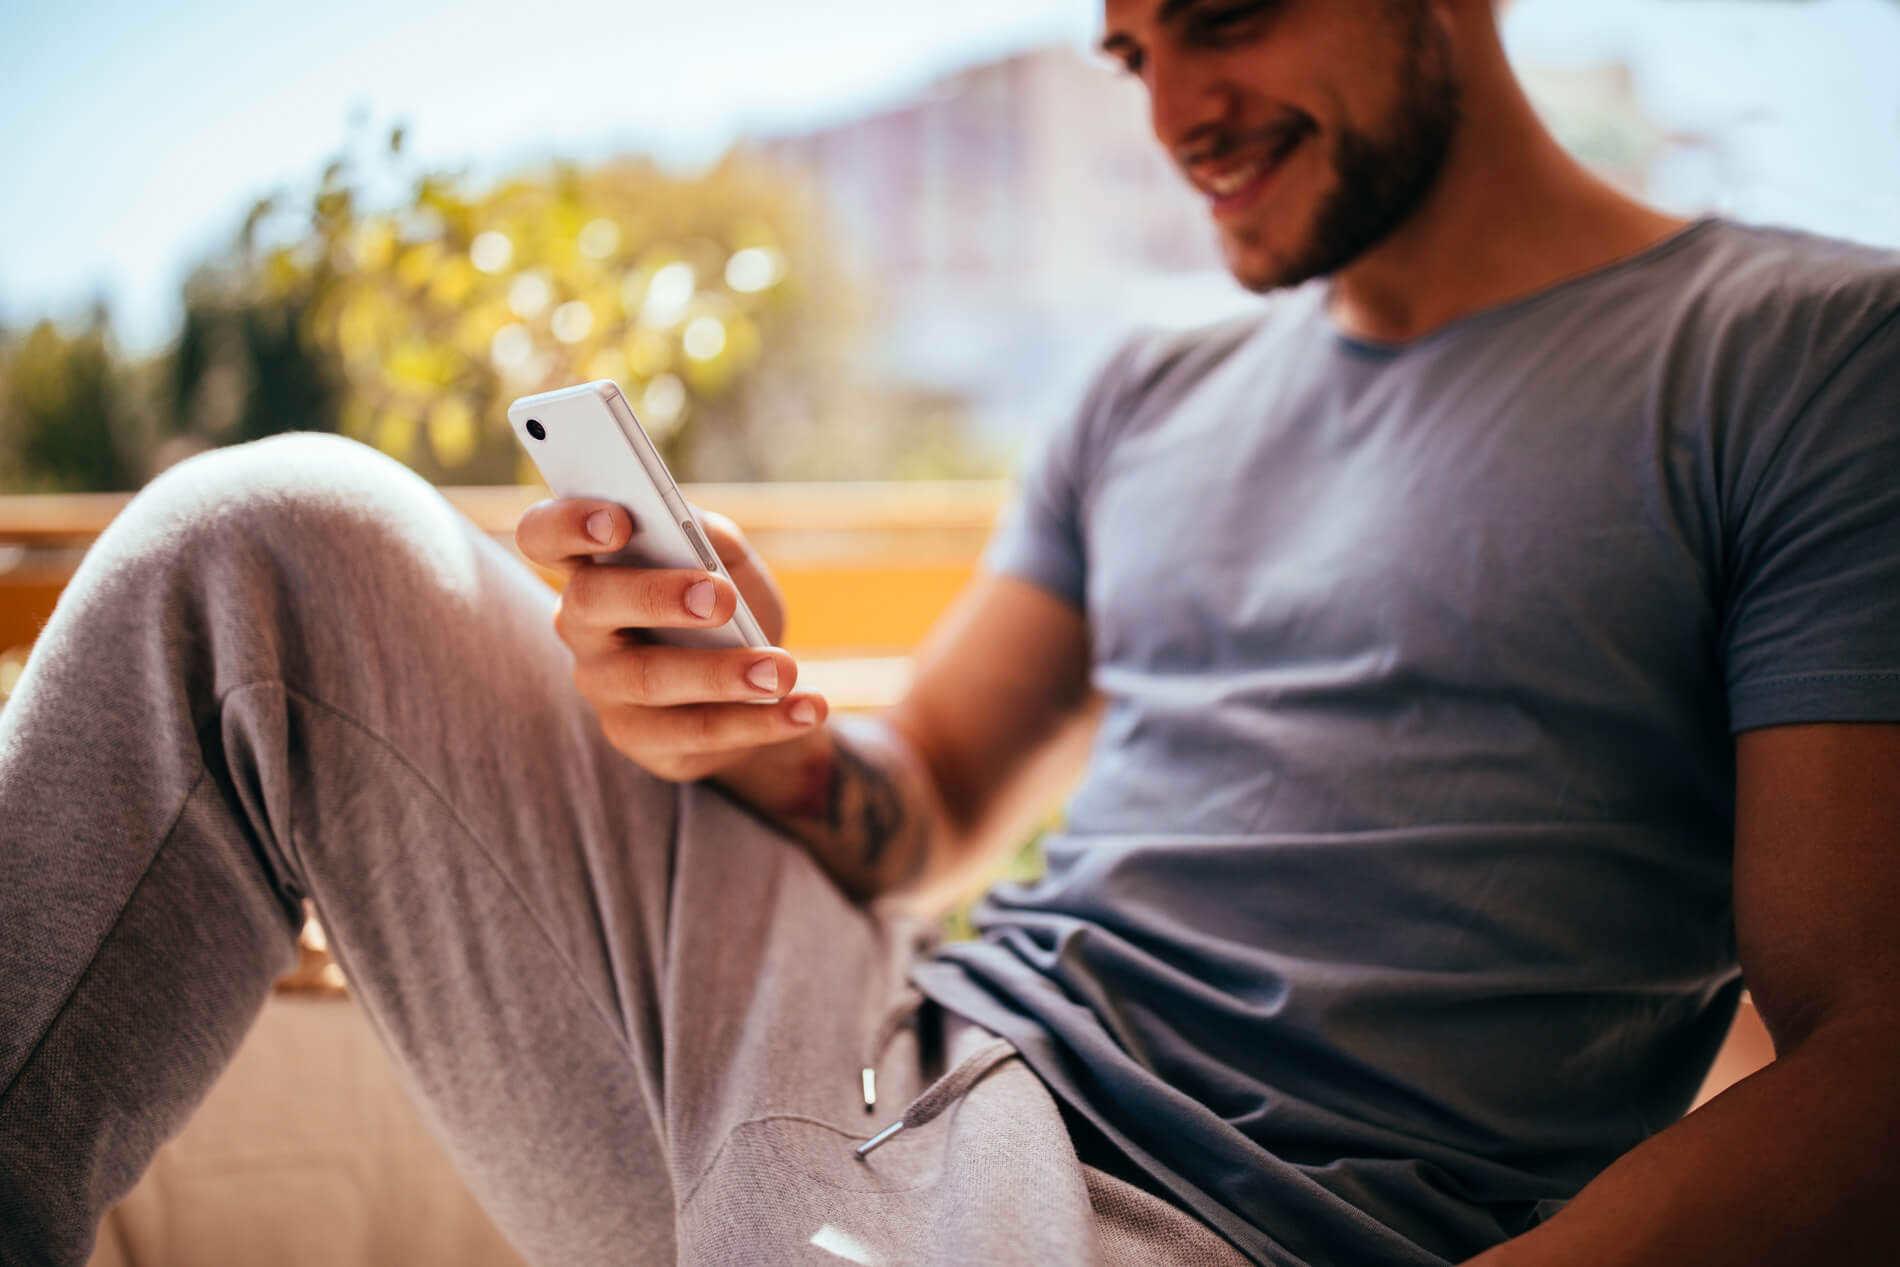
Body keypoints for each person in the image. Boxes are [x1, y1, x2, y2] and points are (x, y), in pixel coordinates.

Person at [4, 0, 1898, 1262]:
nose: (1175, 115)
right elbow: (915, 818)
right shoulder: (1146, 397)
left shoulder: (1806, 360)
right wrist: (729, 719)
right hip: (892, 1030)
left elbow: (1870, 1052)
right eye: (1130, 46)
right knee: (268, 538)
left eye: (1225, 15)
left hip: (1184, 1224)